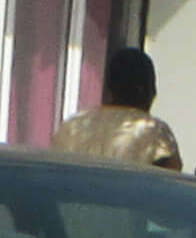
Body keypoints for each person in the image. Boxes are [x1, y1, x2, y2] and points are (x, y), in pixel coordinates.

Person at [51, 47, 181, 171]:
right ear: (146, 90)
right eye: (152, 87)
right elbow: (172, 177)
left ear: (109, 89)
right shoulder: (155, 132)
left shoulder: (71, 127)